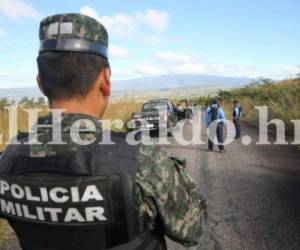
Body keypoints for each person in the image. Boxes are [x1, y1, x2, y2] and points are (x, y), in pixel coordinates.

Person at [0, 14, 206, 250]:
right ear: (105, 79)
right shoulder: (141, 159)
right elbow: (193, 230)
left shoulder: (9, 159)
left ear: (41, 83)